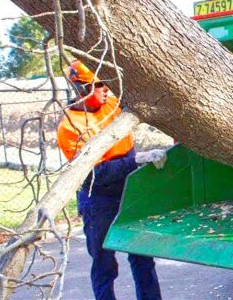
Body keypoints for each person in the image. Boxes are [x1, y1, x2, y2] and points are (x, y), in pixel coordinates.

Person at [57, 60, 167, 300]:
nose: (106, 90)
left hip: (128, 192)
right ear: (80, 89)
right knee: (104, 265)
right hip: (99, 199)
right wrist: (138, 159)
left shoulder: (113, 107)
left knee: (142, 258)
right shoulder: (70, 127)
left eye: (106, 84)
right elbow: (95, 173)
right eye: (99, 85)